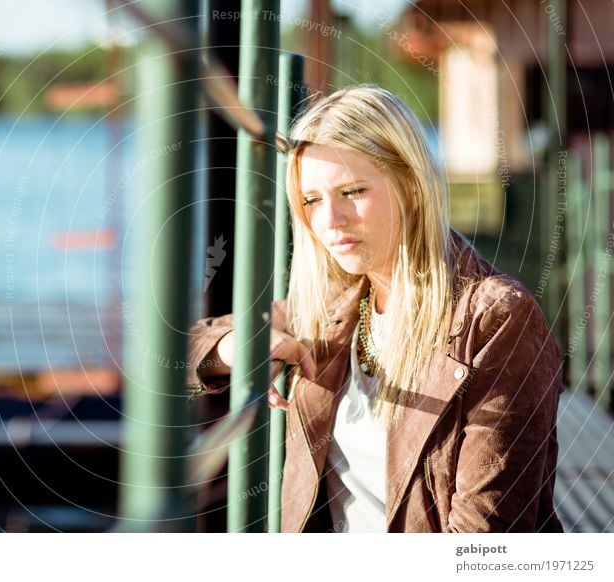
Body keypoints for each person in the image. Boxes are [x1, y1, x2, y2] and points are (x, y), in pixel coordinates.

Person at [186, 85, 564, 533]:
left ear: (409, 183)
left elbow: (482, 542)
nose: (330, 220)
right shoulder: (335, 303)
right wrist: (238, 350)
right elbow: (181, 348)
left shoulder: (496, 319)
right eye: (311, 200)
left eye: (352, 191)